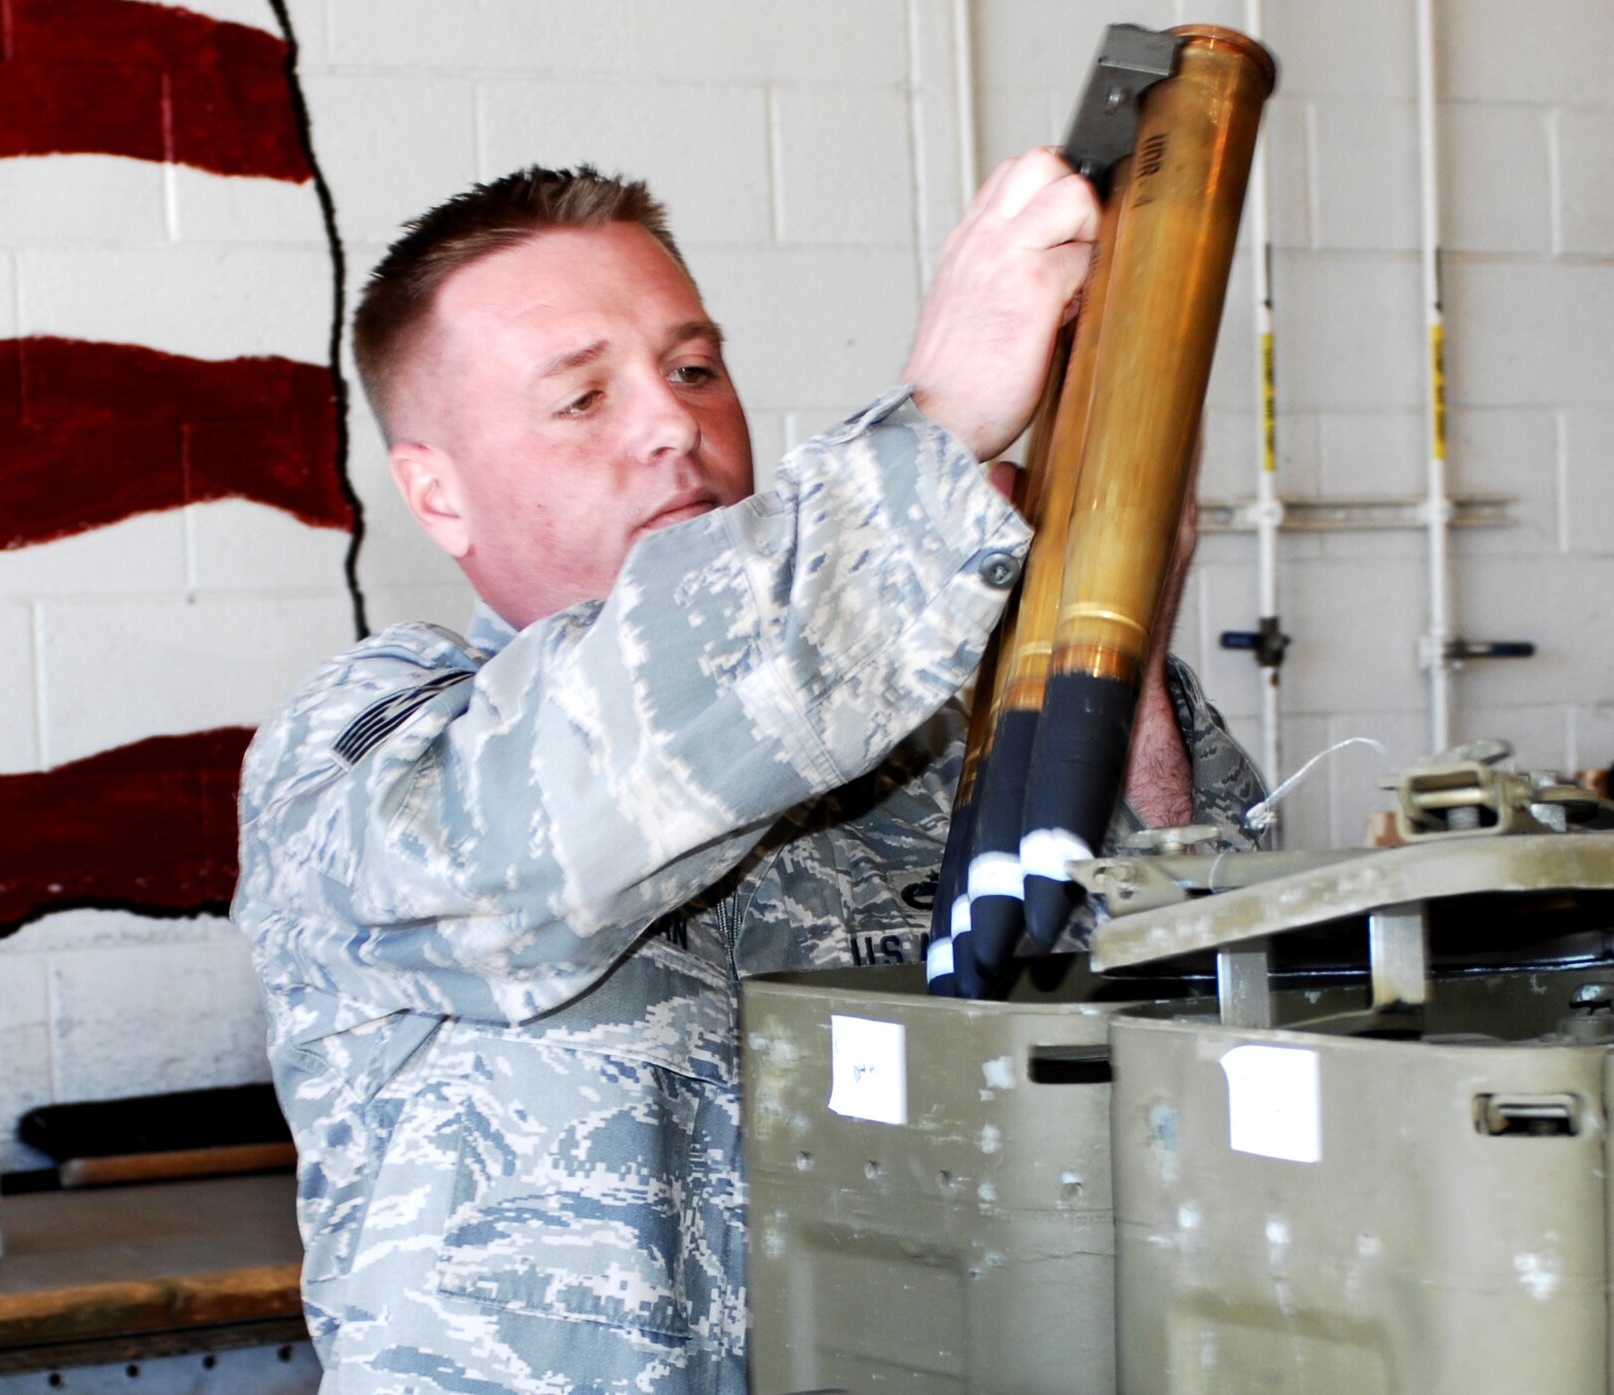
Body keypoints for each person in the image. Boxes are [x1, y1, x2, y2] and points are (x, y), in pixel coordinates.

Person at [232, 152, 1264, 1394]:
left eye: (691, 368)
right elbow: (570, 794)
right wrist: (929, 436)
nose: (673, 423)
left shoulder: (920, 730)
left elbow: (1208, 1000)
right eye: (581, 399)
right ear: (435, 494)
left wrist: (1118, 640)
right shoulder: (369, 757)